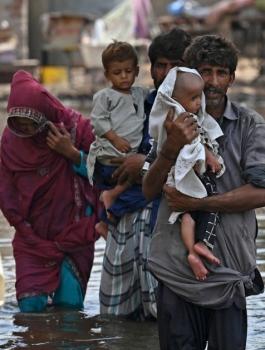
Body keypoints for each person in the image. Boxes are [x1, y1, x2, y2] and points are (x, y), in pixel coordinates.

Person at [143, 34, 265, 350]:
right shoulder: (169, 121)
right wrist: (169, 150)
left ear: (231, 78)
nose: (212, 81)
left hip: (228, 267)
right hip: (175, 265)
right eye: (204, 71)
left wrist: (197, 204)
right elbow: (149, 190)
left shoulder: (250, 125)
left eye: (220, 72)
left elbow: (262, 191)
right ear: (190, 74)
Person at [99, 28, 192, 319]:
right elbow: (110, 160)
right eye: (160, 65)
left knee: (162, 313)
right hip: (128, 219)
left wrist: (143, 164)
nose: (166, 73)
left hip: (165, 222)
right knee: (116, 313)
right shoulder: (138, 105)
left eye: (175, 66)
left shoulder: (196, 114)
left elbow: (194, 171)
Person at [0, 70, 100, 313]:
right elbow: (6, 195)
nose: (25, 129)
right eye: (18, 123)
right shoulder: (10, 143)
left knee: (70, 308)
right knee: (30, 308)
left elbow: (108, 173)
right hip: (32, 239)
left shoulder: (76, 129)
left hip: (74, 235)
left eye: (30, 122)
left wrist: (72, 154)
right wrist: (28, 232)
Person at [149, 66, 223, 280]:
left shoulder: (185, 119)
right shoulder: (179, 122)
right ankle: (201, 244)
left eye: (199, 97)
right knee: (212, 203)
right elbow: (195, 143)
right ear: (175, 100)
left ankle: (192, 252)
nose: (199, 103)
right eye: (192, 98)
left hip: (181, 180)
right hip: (182, 177)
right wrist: (209, 156)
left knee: (188, 216)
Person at [87, 41, 149, 239]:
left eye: (128, 71)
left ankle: (106, 219)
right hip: (111, 157)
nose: (123, 76)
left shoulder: (140, 94)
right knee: (141, 189)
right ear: (107, 75)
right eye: (117, 72)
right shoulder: (105, 96)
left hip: (127, 157)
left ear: (136, 71)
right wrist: (114, 139)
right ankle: (108, 213)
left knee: (141, 189)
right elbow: (97, 121)